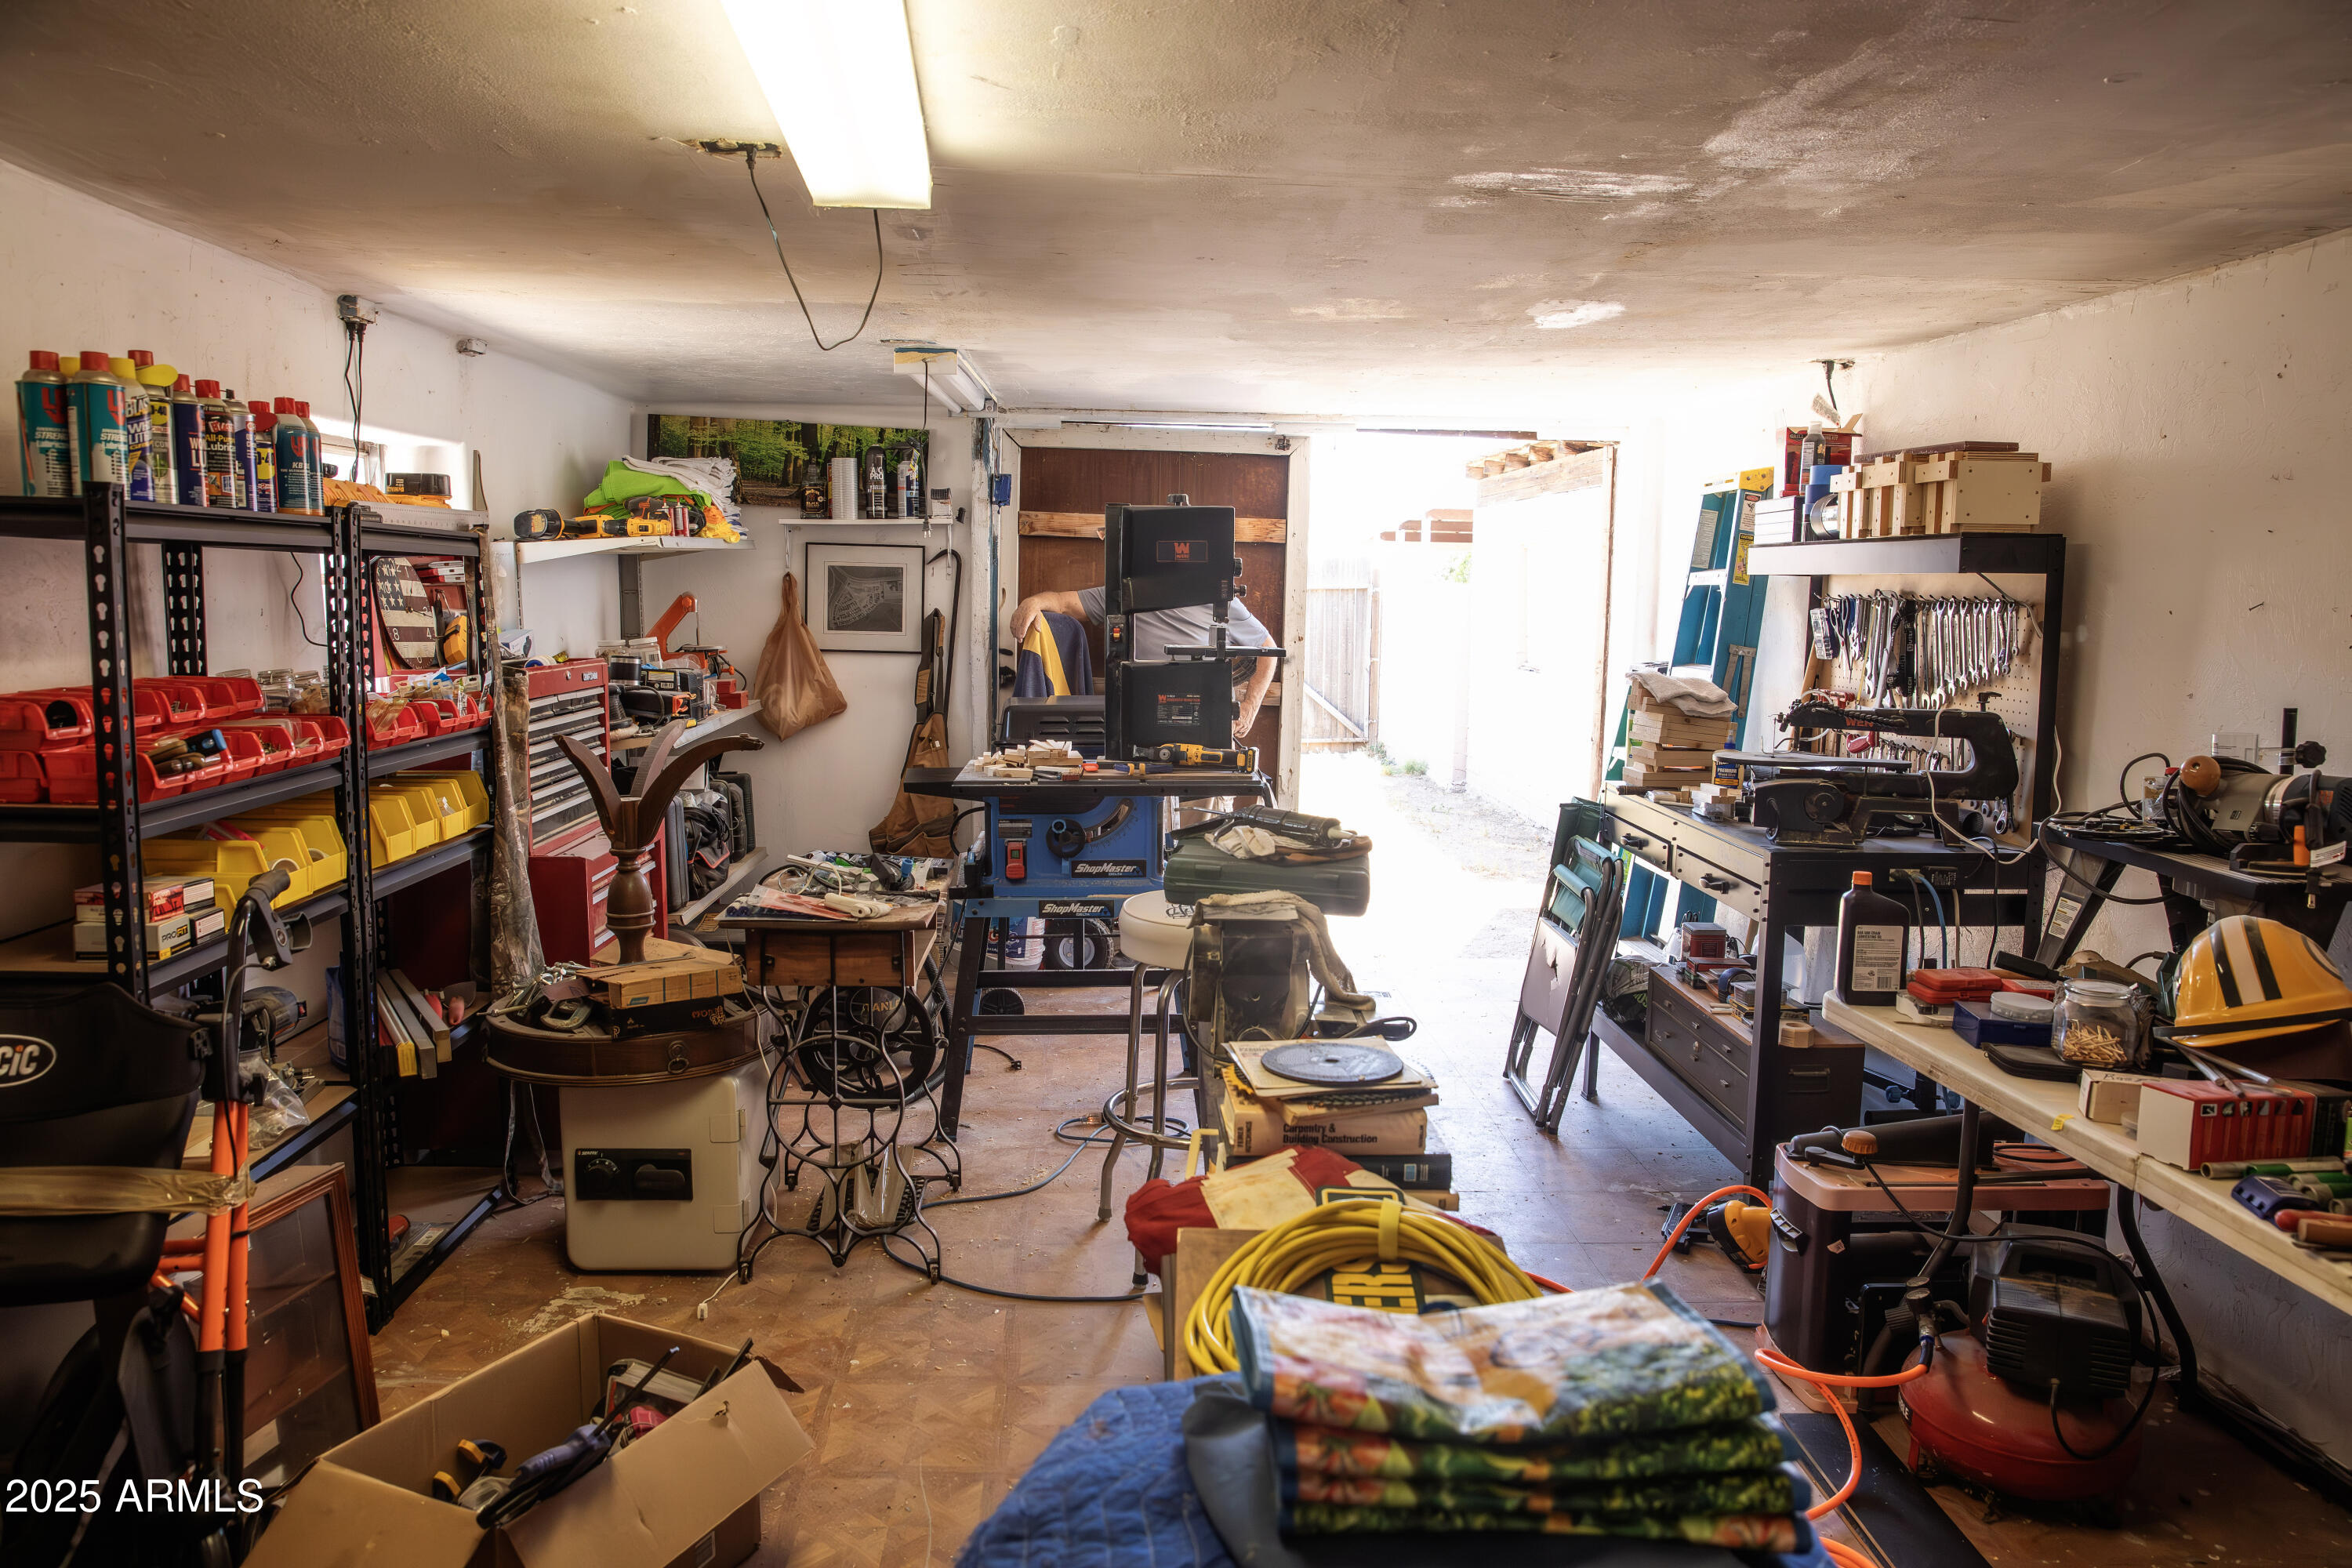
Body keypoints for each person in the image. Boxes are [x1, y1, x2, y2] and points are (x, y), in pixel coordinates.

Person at [1010, 581, 1277, 740]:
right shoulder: (1129, 593)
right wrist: (1032, 602)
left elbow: (1268, 648)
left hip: (1208, 730)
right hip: (1146, 726)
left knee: (1202, 820)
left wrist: (1250, 706)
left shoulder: (1222, 602)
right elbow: (1063, 602)